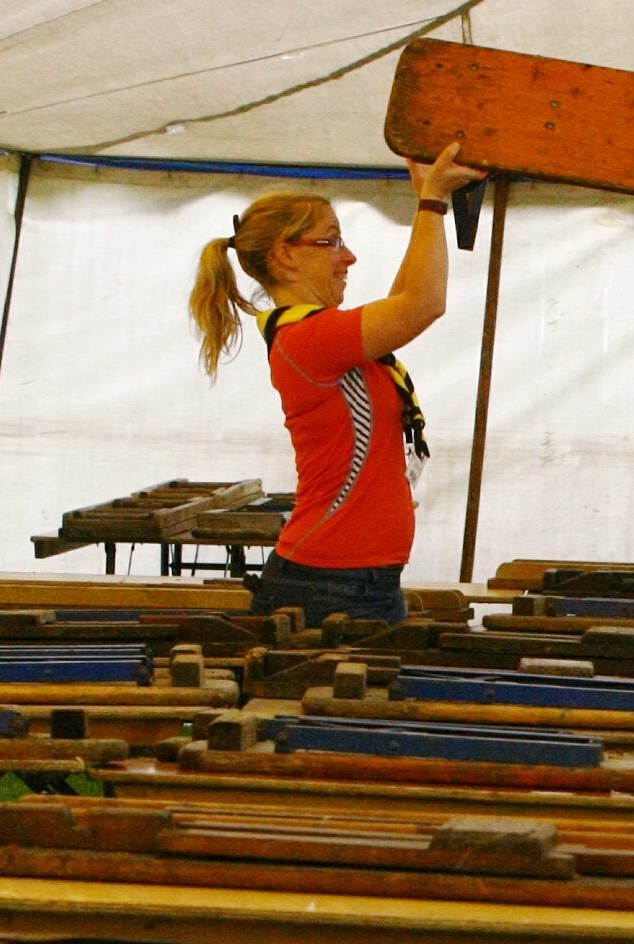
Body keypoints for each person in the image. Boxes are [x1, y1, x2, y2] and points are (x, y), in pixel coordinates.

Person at [189, 142, 487, 625]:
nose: (348, 256)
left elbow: (404, 298)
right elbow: (424, 303)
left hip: (348, 578)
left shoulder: (314, 335)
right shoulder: (306, 338)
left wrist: (427, 203)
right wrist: (432, 203)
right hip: (334, 584)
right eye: (330, 242)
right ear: (286, 255)